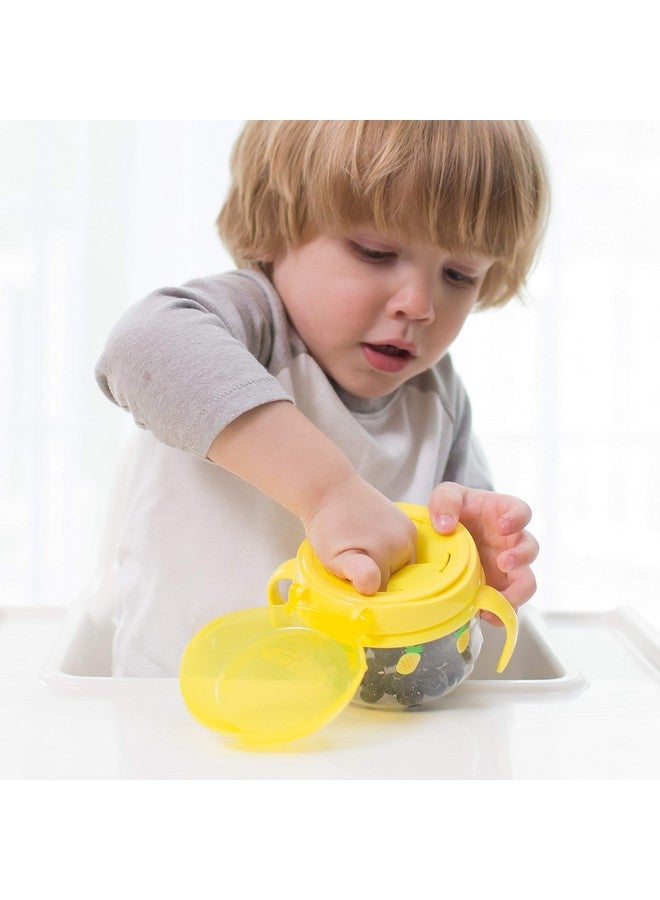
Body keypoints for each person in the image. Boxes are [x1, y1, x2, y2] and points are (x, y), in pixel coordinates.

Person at [95, 120, 549, 676]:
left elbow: (456, 576)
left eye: (459, 273)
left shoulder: (438, 396)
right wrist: (329, 493)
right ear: (276, 228)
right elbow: (141, 348)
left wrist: (475, 567)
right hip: (180, 711)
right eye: (375, 252)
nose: (419, 303)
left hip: (358, 726)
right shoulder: (251, 322)